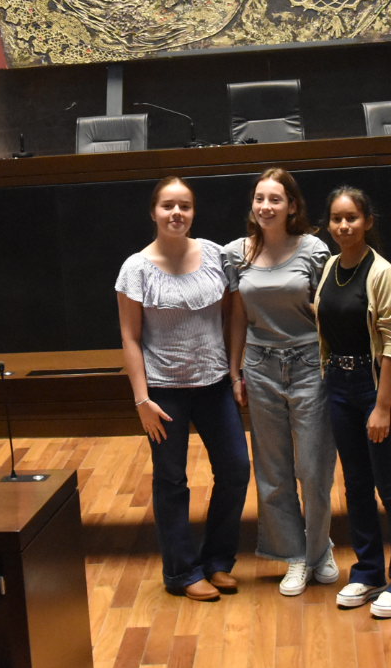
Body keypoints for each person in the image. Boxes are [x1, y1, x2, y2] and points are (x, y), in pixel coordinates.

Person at [116, 176, 251, 602]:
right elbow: (130, 337)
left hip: (214, 384)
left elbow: (233, 317)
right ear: (153, 212)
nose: (177, 213)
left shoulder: (215, 256)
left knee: (236, 470)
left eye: (185, 206)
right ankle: (181, 572)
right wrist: (142, 399)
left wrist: (234, 372)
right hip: (164, 393)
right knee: (172, 480)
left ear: (193, 212)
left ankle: (217, 561)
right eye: (168, 206)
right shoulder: (136, 268)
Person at [313, 186, 391, 617]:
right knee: (356, 485)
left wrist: (382, 407)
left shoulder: (382, 273)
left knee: (390, 486)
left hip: (376, 386)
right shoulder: (330, 266)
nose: (344, 226)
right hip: (339, 386)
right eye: (337, 219)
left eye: (352, 218)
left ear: (368, 222)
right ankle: (368, 572)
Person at [223, 167, 336, 597]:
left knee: (313, 467)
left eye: (275, 199)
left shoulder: (313, 249)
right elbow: (237, 315)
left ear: (291, 205)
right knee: (272, 471)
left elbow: (329, 311)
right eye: (259, 198)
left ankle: (319, 548)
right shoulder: (236, 253)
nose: (266, 206)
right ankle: (294, 555)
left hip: (309, 365)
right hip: (261, 366)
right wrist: (235, 370)